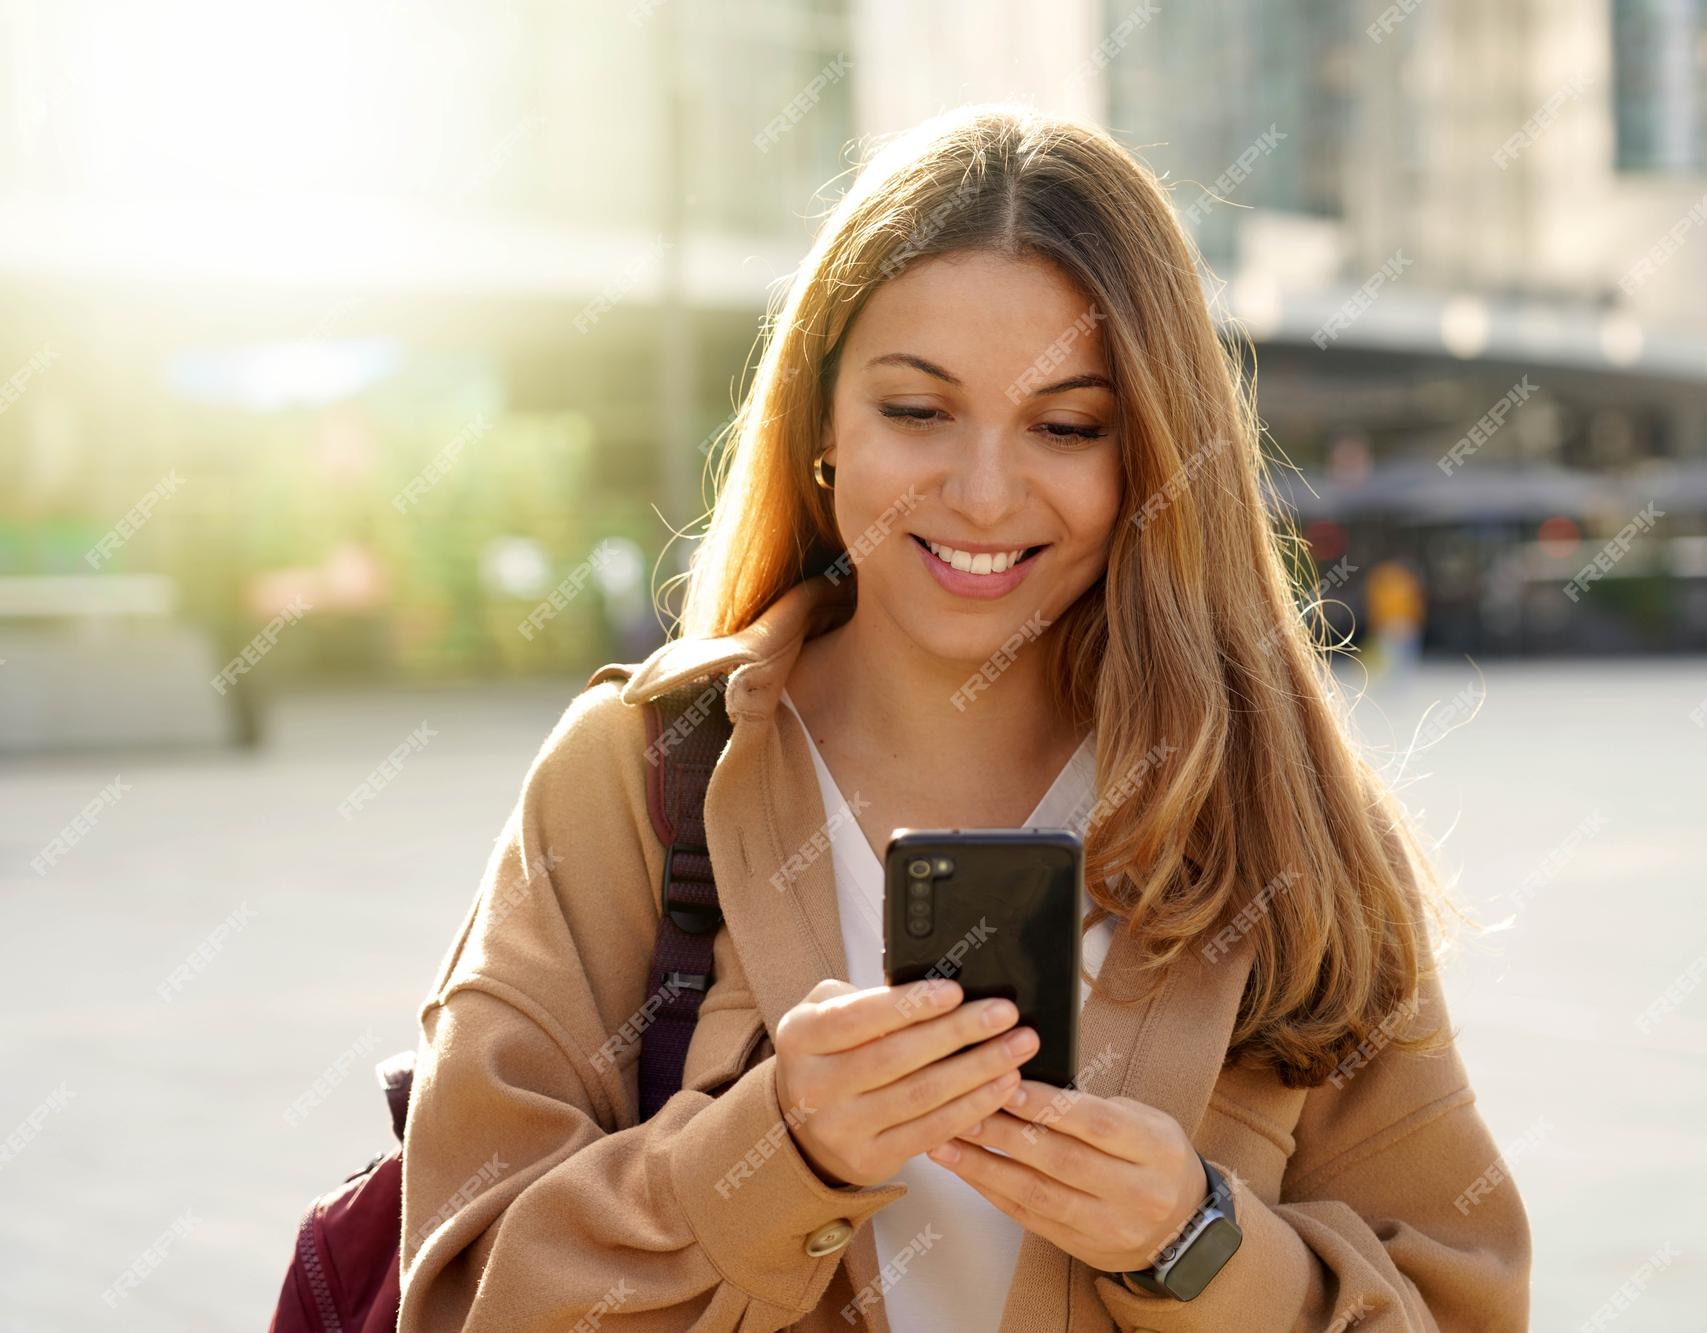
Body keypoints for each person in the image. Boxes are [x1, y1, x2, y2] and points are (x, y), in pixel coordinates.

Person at [397, 105, 1530, 1331]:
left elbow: (1459, 1301)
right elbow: (462, 1294)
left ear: (1151, 455)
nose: (983, 494)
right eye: (916, 410)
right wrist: (774, 1151)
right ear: (822, 426)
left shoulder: (1279, 811)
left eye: (1065, 426)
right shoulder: (634, 778)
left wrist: (1192, 1242)